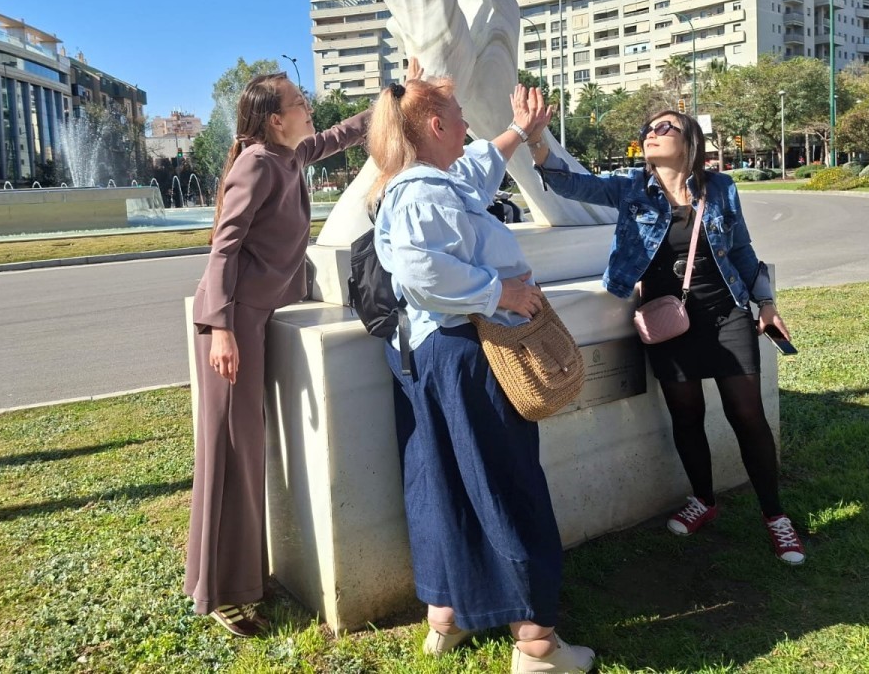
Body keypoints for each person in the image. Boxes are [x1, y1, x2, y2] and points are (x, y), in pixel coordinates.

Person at [369, 68, 596, 673]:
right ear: (436, 126)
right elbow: (422, 271)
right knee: (505, 480)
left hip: (430, 354)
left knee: (440, 480)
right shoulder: (424, 191)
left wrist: (518, 130)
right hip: (464, 354)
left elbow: (476, 168)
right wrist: (501, 292)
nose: (468, 127)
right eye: (459, 118)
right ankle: (537, 645)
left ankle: (447, 614)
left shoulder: (426, 182)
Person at [531, 110, 805, 566]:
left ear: (689, 140)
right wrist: (535, 140)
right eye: (648, 129)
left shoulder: (720, 188)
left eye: (664, 128)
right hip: (665, 318)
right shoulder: (631, 187)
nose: (651, 134)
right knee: (686, 413)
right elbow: (572, 185)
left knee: (747, 414)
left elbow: (741, 248)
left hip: (725, 311)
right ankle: (704, 499)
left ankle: (776, 517)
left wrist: (766, 302)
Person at [186, 72, 371, 635]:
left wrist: (394, 101)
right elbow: (224, 247)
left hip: (256, 318)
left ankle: (240, 578)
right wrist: (221, 329)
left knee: (247, 452)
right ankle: (222, 593)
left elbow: (338, 136)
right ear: (274, 119)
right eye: (298, 102)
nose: (307, 107)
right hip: (234, 324)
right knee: (231, 454)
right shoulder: (257, 164)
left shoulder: (290, 156)